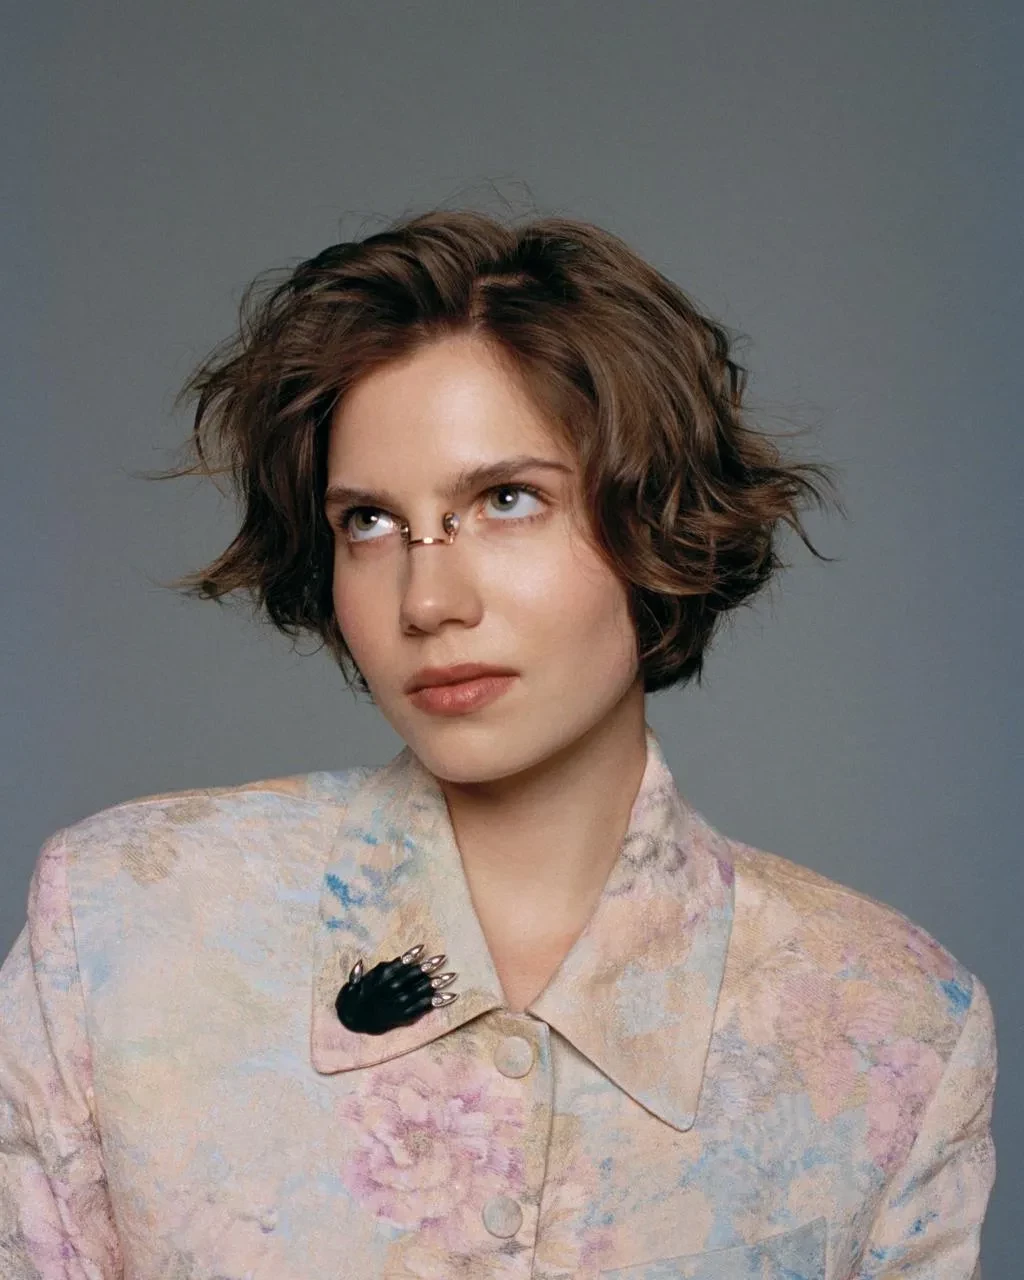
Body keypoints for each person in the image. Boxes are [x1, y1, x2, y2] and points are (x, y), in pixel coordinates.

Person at [0, 209, 996, 1278]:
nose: (427, 599)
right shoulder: (125, 927)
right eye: (370, 522)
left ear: (656, 517)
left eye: (507, 499)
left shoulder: (888, 1024)